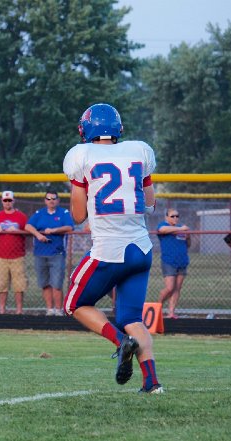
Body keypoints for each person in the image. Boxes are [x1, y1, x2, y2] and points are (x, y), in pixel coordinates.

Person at [63, 103, 162, 394]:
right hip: (141, 249)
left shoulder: (81, 155)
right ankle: (152, 383)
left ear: (85, 129)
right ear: (118, 129)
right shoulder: (139, 150)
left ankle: (121, 343)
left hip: (109, 250)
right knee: (132, 318)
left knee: (73, 304)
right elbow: (150, 204)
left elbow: (78, 216)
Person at [25, 190, 74, 315]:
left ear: (58, 200)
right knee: (44, 283)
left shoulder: (63, 213)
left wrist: (53, 230)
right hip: (40, 253)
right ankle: (50, 309)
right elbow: (28, 226)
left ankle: (58, 310)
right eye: (48, 199)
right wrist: (38, 234)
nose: (51, 201)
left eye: (54, 198)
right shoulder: (39, 213)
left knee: (56, 284)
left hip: (57, 253)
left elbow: (69, 227)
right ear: (45, 201)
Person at [0, 190, 28, 314]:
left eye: (9, 200)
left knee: (19, 285)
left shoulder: (21, 216)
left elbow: (28, 232)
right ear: (2, 201)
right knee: (1, 284)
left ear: (13, 201)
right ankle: (2, 309)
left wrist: (18, 231)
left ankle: (19, 310)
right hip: (1, 256)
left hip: (17, 256)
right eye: (5, 200)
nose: (7, 202)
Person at [157, 208, 190, 319]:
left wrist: (188, 235)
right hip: (169, 261)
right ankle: (158, 306)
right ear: (167, 217)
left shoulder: (182, 228)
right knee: (170, 288)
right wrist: (181, 229)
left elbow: (188, 244)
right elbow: (162, 230)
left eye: (177, 216)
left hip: (182, 261)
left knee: (177, 288)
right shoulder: (164, 225)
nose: (175, 218)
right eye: (172, 216)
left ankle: (171, 312)